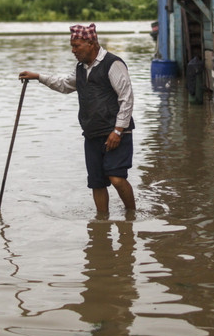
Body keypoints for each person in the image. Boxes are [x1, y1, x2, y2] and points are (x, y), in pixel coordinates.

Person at [19, 23, 136, 217]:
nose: (73, 50)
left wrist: (118, 130)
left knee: (116, 177)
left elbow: (127, 98)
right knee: (97, 182)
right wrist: (38, 77)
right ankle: (102, 220)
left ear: (91, 43)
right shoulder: (81, 68)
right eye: (72, 46)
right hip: (92, 132)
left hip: (115, 132)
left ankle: (132, 215)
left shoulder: (112, 64)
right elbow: (65, 85)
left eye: (76, 46)